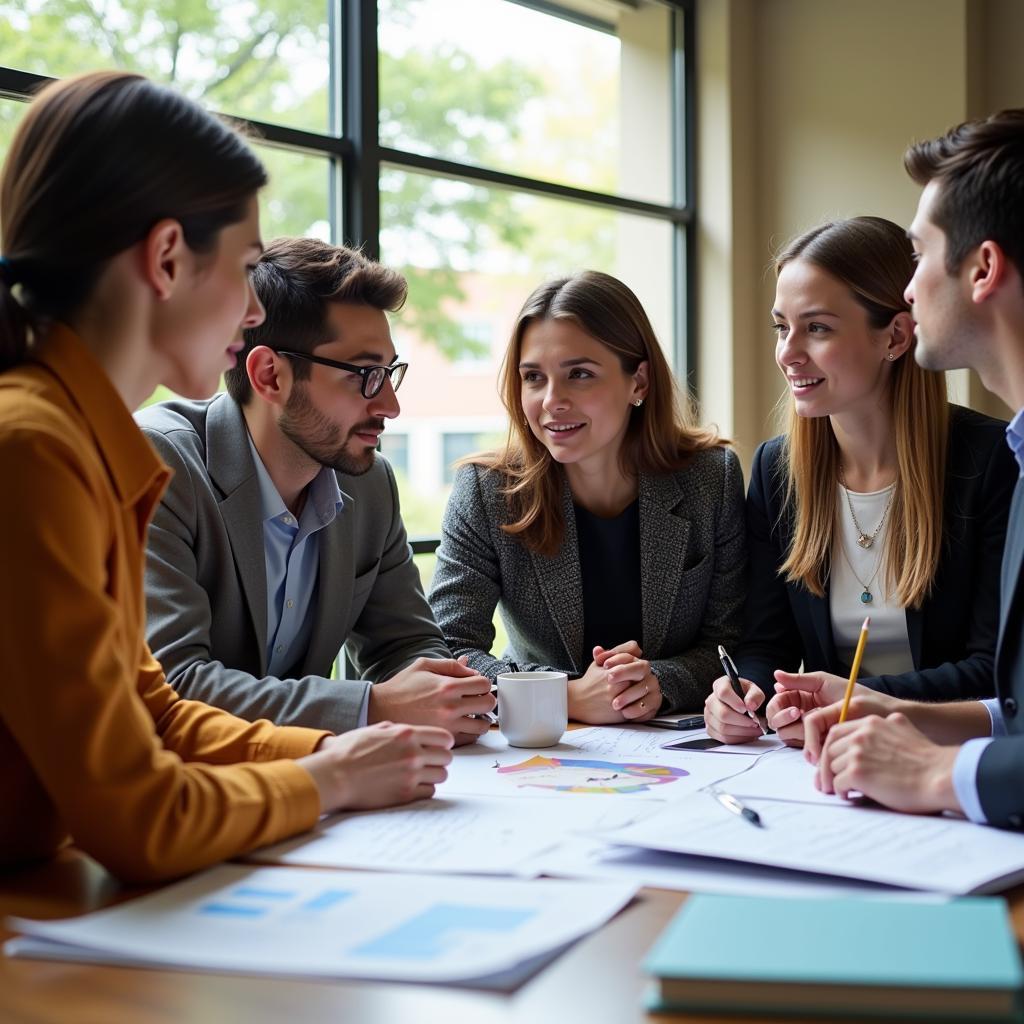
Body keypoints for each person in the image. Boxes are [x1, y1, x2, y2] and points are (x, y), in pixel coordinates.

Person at [0, 71, 453, 883]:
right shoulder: (33, 450)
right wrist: (330, 777)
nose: (252, 312)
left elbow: (156, 714)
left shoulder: (78, 441)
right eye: (245, 268)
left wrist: (335, 748)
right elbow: (142, 815)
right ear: (168, 258)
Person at [136, 237, 494, 745]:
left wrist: (442, 691)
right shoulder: (160, 465)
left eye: (390, 373)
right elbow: (173, 687)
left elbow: (407, 644)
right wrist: (371, 707)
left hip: (314, 782)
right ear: (269, 376)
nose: (390, 405)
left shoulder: (369, 484)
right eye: (366, 375)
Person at [703, 216, 1015, 746]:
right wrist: (743, 693)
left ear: (894, 335)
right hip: (827, 759)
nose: (787, 352)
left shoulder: (991, 460)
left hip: (945, 754)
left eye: (817, 328)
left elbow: (994, 672)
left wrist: (848, 700)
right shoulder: (779, 470)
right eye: (782, 327)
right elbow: (766, 644)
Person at [798, 110, 1024, 828]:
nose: (908, 289)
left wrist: (938, 770)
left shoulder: (993, 460)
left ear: (982, 269)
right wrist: (892, 708)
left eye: (920, 255)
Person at [429, 271, 746, 723]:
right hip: (538, 750)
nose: (551, 401)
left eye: (580, 374)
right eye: (534, 377)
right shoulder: (487, 491)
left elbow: (730, 643)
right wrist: (564, 696)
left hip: (675, 747)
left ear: (638, 382)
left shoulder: (710, 479)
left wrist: (658, 682)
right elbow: (449, 651)